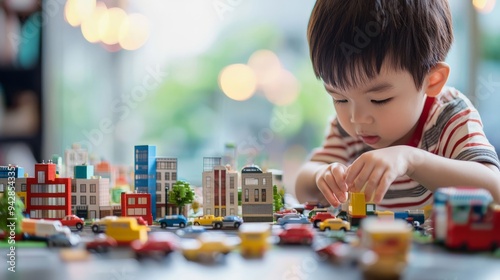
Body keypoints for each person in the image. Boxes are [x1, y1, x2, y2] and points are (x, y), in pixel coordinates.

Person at [295, 0, 500, 211]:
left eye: (379, 100)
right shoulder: (347, 130)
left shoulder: (449, 116)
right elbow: (303, 188)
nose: (357, 118)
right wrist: (322, 175)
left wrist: (412, 160)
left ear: (432, 80)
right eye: (339, 98)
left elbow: (494, 192)